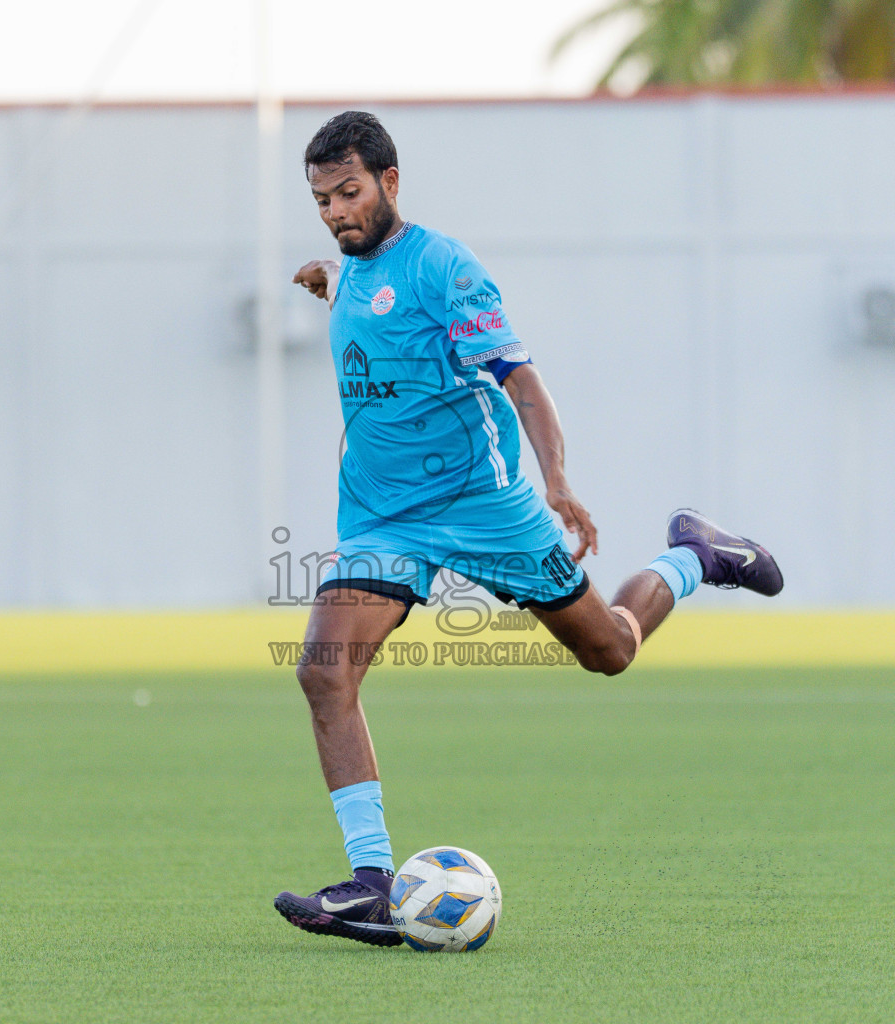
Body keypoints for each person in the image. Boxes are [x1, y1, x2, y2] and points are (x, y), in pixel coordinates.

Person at [273, 111, 782, 946]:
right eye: (322, 199)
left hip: (486, 505)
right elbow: (363, 296)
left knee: (609, 651)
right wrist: (326, 278)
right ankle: (370, 882)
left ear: (391, 183)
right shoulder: (354, 269)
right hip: (382, 515)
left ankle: (694, 554)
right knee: (324, 672)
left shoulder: (446, 267)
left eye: (350, 193)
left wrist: (557, 482)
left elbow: (523, 382)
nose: (335, 211)